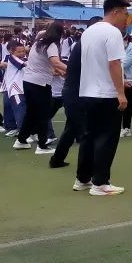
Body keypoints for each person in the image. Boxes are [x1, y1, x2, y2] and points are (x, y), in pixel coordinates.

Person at [74, 0, 129, 196]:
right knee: (107, 138)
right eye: (125, 13)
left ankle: (82, 179)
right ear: (115, 11)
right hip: (106, 95)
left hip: (87, 92)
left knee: (89, 137)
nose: (127, 18)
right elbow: (114, 63)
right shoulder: (113, 33)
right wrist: (121, 93)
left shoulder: (88, 31)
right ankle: (100, 183)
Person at [14, 22, 66, 155]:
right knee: (43, 114)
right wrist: (72, 70)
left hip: (28, 81)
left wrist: (60, 72)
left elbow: (45, 64)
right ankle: (42, 146)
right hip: (40, 84)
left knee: (31, 113)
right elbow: (55, 62)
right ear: (59, 34)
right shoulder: (52, 44)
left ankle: (21, 140)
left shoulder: (39, 42)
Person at [50, 39, 84, 169]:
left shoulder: (80, 46)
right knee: (84, 132)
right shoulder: (83, 47)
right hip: (76, 93)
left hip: (74, 92)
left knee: (71, 129)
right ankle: (85, 174)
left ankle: (57, 160)